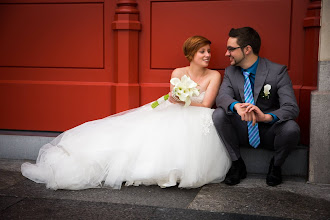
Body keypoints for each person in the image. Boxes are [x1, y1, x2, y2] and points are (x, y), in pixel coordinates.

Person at [21, 36, 231, 190]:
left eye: (208, 51)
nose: (207, 56)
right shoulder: (177, 72)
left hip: (197, 114)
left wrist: (184, 102)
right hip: (171, 108)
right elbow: (173, 96)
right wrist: (176, 100)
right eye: (202, 51)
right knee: (138, 132)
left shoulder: (214, 75)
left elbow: (205, 105)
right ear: (191, 54)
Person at [212, 27, 300, 187]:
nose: (227, 53)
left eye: (231, 49)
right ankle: (237, 164)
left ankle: (276, 166)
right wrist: (235, 105)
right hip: (241, 128)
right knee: (219, 114)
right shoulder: (231, 72)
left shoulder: (277, 71)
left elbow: (291, 107)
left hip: (268, 130)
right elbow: (222, 97)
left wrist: (266, 117)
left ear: (247, 49)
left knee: (291, 128)